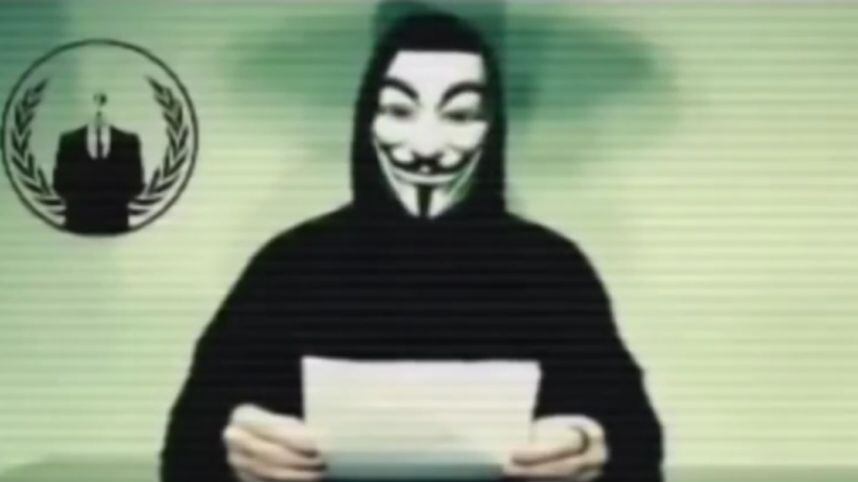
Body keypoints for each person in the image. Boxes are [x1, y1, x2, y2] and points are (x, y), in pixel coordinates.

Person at [161, 12, 662, 482]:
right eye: (400, 110)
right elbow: (186, 450)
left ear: (493, 128)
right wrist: (232, 448)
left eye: (460, 114)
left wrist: (591, 446)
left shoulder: (551, 270)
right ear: (367, 119)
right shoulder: (291, 266)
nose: (426, 147)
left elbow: (636, 443)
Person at [53, 92, 145, 234]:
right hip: (77, 226)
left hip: (116, 226)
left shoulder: (129, 140)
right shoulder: (68, 140)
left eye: (103, 102)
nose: (99, 108)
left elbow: (136, 184)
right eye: (95, 102)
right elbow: (60, 184)